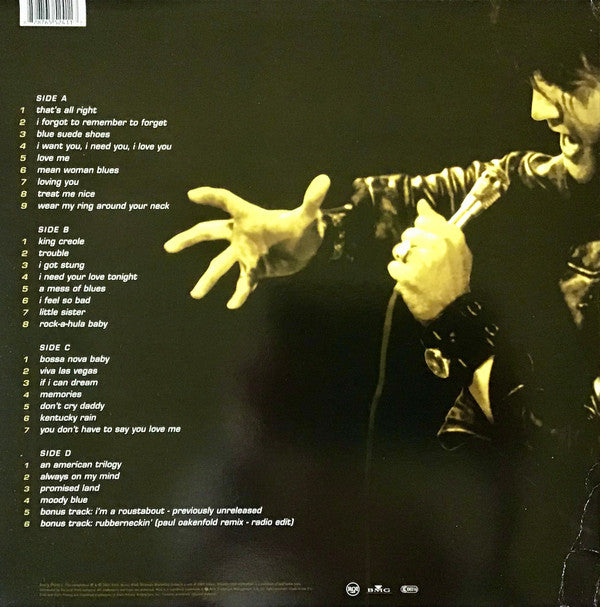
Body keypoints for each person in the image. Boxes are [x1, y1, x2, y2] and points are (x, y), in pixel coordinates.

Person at [164, 8, 599, 604]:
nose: (538, 110)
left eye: (569, 83)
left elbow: (568, 455)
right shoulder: (562, 184)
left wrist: (453, 317)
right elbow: (440, 194)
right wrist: (317, 235)